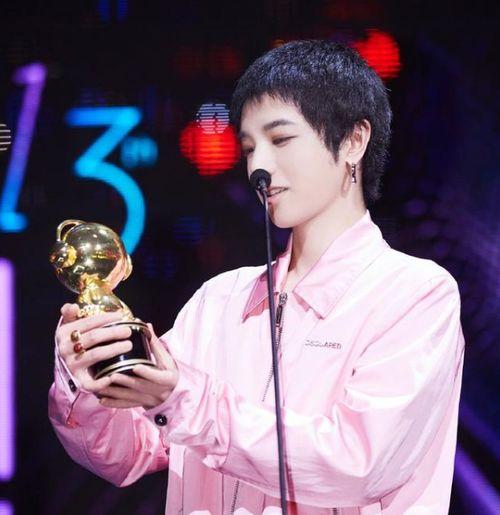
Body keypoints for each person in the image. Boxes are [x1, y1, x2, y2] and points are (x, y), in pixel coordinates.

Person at [49, 40, 465, 514]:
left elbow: (357, 463)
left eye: (280, 139)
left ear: (353, 140)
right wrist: (86, 381)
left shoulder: (415, 294)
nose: (258, 166)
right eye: (249, 148)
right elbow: (126, 455)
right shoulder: (218, 301)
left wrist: (185, 400)